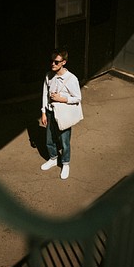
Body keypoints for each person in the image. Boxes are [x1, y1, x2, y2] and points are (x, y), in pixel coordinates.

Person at [40, 47, 82, 179]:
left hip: (63, 114)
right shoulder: (48, 76)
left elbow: (78, 98)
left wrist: (61, 99)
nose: (53, 64)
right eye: (51, 61)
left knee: (64, 142)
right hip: (50, 112)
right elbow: (45, 95)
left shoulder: (71, 79)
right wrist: (43, 112)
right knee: (49, 139)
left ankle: (65, 163)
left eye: (56, 62)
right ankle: (53, 158)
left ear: (64, 62)